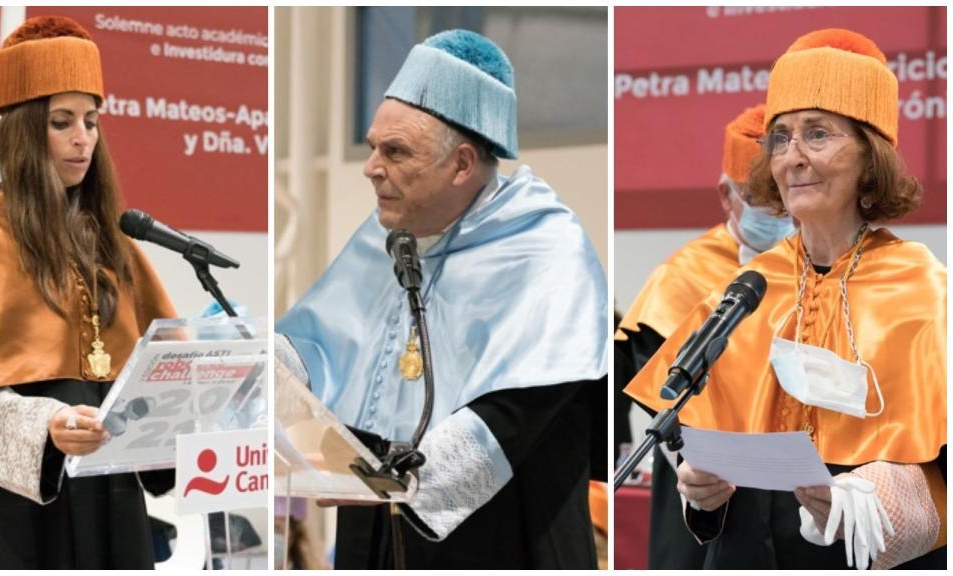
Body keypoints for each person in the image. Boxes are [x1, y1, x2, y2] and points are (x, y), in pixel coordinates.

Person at [275, 29, 607, 568]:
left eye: (395, 151)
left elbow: (519, 408)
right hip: (376, 523)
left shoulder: (546, 248)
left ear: (462, 164)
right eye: (372, 146)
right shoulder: (385, 235)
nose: (371, 167)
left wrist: (408, 481)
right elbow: (316, 349)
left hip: (498, 534)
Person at [625, 28, 946, 570]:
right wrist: (699, 497)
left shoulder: (925, 292)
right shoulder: (746, 290)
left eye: (817, 135)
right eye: (780, 137)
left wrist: (876, 501)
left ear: (870, 156)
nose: (792, 157)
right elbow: (706, 468)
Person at [0, 16, 176, 568]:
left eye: (91, 121)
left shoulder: (114, 240)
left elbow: (151, 371)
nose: (82, 138)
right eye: (61, 122)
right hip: (14, 517)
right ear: (22, 131)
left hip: (113, 500)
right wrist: (45, 425)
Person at [615, 104, 794, 569]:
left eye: (784, 199)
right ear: (725, 195)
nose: (777, 213)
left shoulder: (820, 269)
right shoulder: (684, 277)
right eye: (760, 200)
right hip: (701, 494)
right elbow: (656, 391)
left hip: (798, 501)